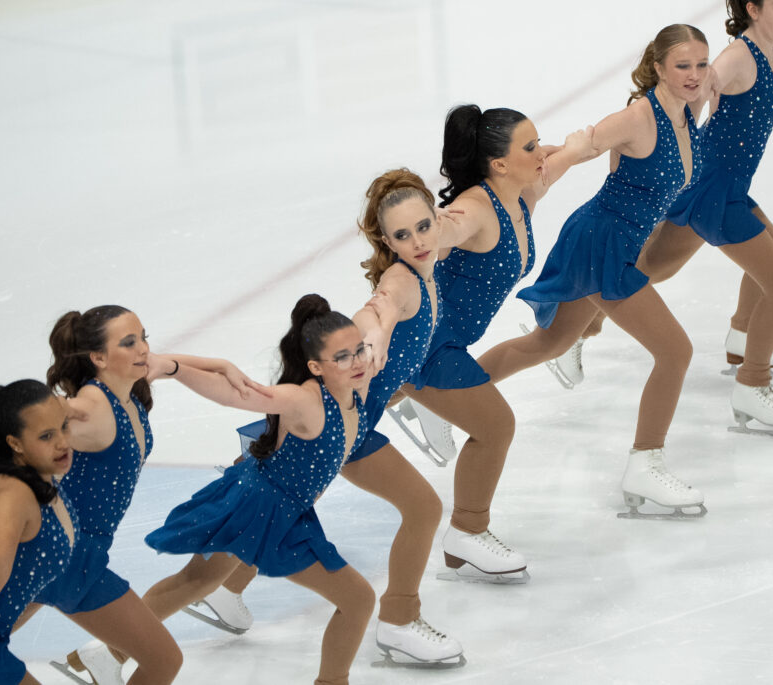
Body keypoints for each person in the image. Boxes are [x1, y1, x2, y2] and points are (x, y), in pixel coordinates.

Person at [202, 170, 466, 668]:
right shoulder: (400, 280)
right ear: (385, 241)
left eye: (424, 227)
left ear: (437, 220)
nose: (419, 241)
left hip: (346, 421)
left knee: (285, 507)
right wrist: (377, 335)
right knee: (425, 509)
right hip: (340, 427)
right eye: (403, 235)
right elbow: (378, 311)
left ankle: (224, 586)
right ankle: (400, 622)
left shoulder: (430, 263)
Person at [475, 24, 712, 519]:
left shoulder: (688, 109)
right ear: (658, 68)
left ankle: (444, 390)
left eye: (700, 65)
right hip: (602, 243)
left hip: (611, 241)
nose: (694, 75)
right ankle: (646, 464)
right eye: (682, 66)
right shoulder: (637, 117)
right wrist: (530, 186)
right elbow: (579, 148)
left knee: (550, 344)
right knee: (675, 352)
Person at [391, 104, 591, 580]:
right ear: (498, 163)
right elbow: (445, 227)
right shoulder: (475, 211)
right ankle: (467, 532)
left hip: (443, 344)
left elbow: (564, 157)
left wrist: (582, 146)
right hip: (425, 345)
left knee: (335, 429)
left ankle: (268, 461)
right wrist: (429, 229)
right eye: (529, 146)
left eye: (538, 142)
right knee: (496, 426)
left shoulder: (522, 195)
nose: (541, 152)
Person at [136, 294, 376, 685]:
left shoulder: (355, 389)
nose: (359, 362)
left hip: (274, 502)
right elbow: (234, 393)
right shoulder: (303, 400)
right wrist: (173, 367)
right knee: (358, 599)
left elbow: (380, 320)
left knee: (198, 581)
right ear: (316, 367)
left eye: (360, 350)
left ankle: (99, 654)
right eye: (344, 357)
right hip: (263, 506)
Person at [25, 306, 255, 685]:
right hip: (59, 551)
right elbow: (35, 418)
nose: (143, 349)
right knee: (163, 660)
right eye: (129, 343)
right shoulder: (91, 407)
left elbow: (167, 362)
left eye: (143, 337)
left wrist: (222, 364)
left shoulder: (128, 383)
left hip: (80, 550)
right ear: (98, 357)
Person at [638, 0, 773, 436]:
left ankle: (741, 340)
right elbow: (694, 90)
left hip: (726, 184)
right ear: (752, 8)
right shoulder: (736, 57)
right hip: (712, 187)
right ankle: (753, 382)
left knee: (649, 269)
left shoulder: (772, 48)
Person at [0, 380, 77, 683]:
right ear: (15, 443)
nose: (63, 442)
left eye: (63, 427)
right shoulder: (12, 494)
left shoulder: (42, 477)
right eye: (47, 436)